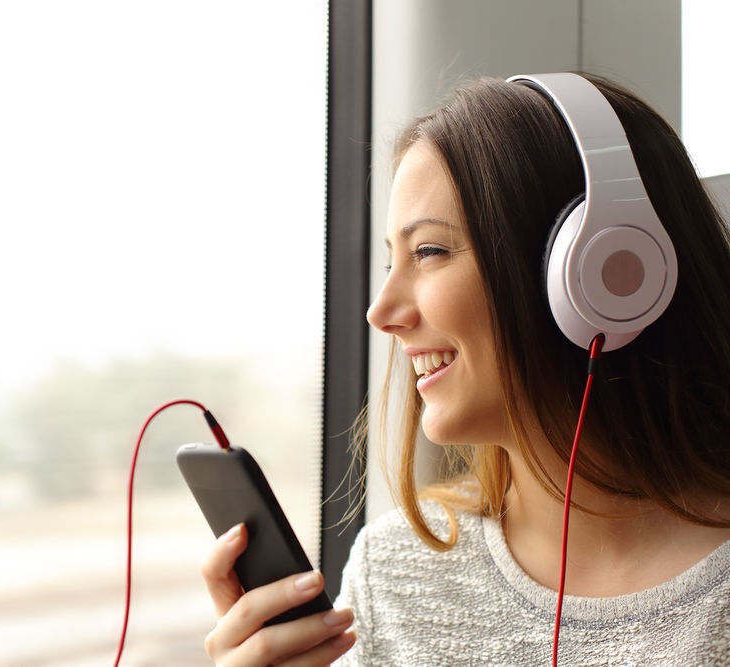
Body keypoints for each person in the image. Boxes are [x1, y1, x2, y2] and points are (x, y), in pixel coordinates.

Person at [199, 72, 730, 665]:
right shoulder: (394, 575)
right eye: (390, 260)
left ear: (603, 272)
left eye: (428, 252)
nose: (381, 312)